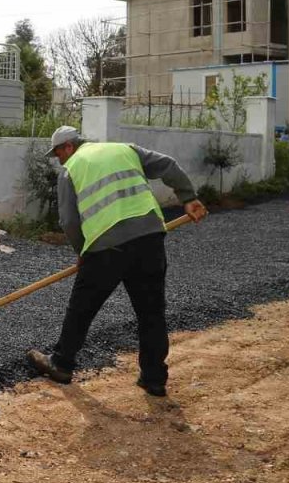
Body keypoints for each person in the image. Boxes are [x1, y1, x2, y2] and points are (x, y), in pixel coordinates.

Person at [26, 126, 208, 397]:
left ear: (67, 147)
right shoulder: (125, 149)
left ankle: (61, 363)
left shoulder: (71, 169)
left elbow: (69, 221)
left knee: (82, 308)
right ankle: (154, 378)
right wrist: (188, 198)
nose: (59, 160)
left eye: (58, 154)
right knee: (151, 312)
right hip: (149, 240)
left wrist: (82, 251)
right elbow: (168, 165)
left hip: (105, 246)